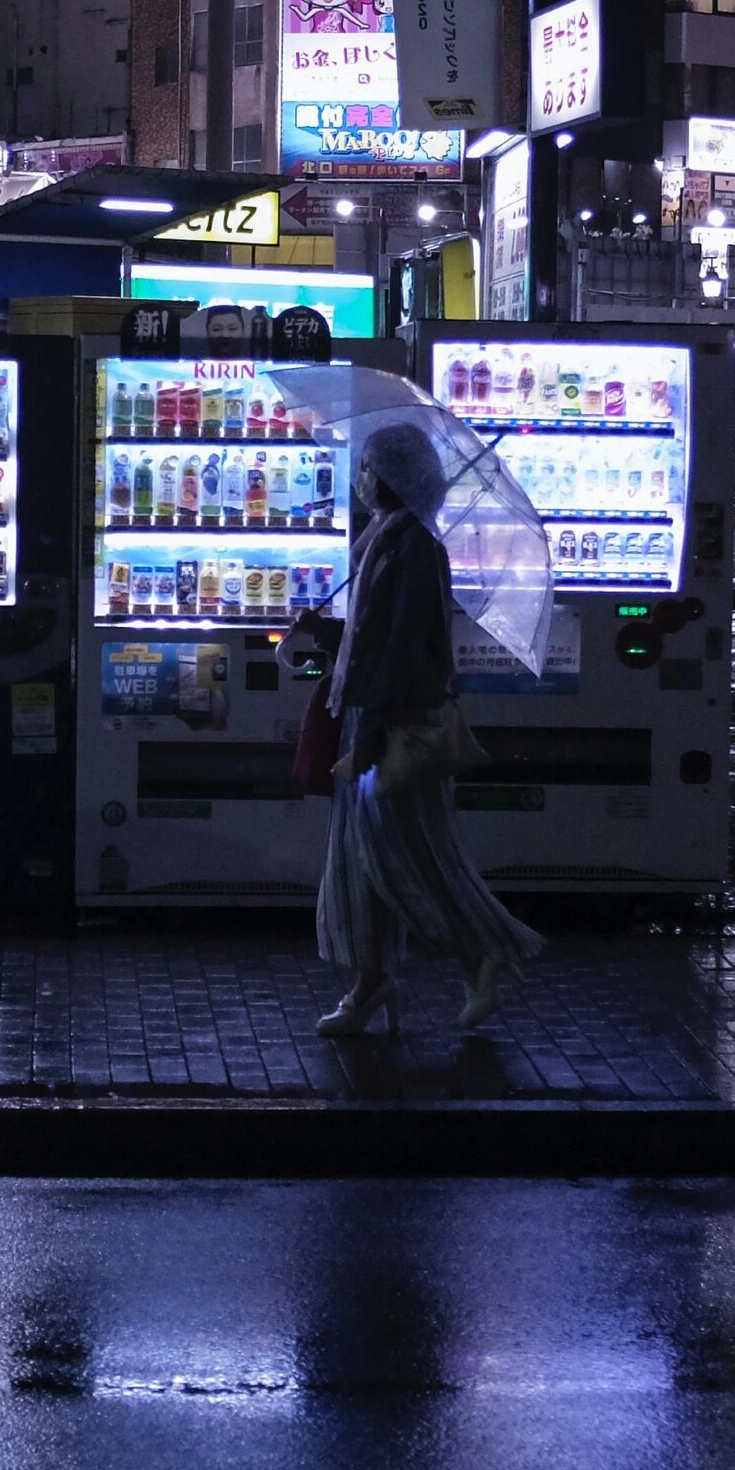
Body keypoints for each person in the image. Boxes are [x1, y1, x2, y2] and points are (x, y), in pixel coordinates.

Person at [310, 420, 542, 1038]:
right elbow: (373, 636)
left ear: (388, 476)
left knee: (405, 856)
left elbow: (405, 648)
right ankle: (370, 983)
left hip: (396, 724)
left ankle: (485, 949)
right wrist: (322, 635)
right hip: (372, 714)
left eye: (366, 468)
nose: (359, 480)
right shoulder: (384, 539)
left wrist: (369, 732)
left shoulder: (414, 546)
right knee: (363, 859)